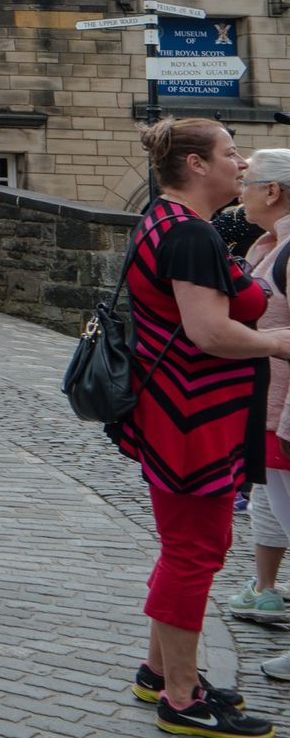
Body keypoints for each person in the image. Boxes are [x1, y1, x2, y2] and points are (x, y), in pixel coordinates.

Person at [111, 117, 285, 734]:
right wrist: (283, 342)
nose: (242, 165)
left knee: (184, 547)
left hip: (180, 411)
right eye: (231, 153)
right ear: (195, 166)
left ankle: (159, 672)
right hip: (194, 417)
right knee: (194, 552)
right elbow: (208, 331)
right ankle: (180, 700)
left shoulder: (166, 221)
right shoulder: (190, 236)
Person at [224, 150, 290, 642]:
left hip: (285, 417)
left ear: (273, 192)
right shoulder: (270, 246)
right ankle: (265, 588)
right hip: (268, 413)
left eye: (248, 183)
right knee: (271, 507)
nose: (239, 192)